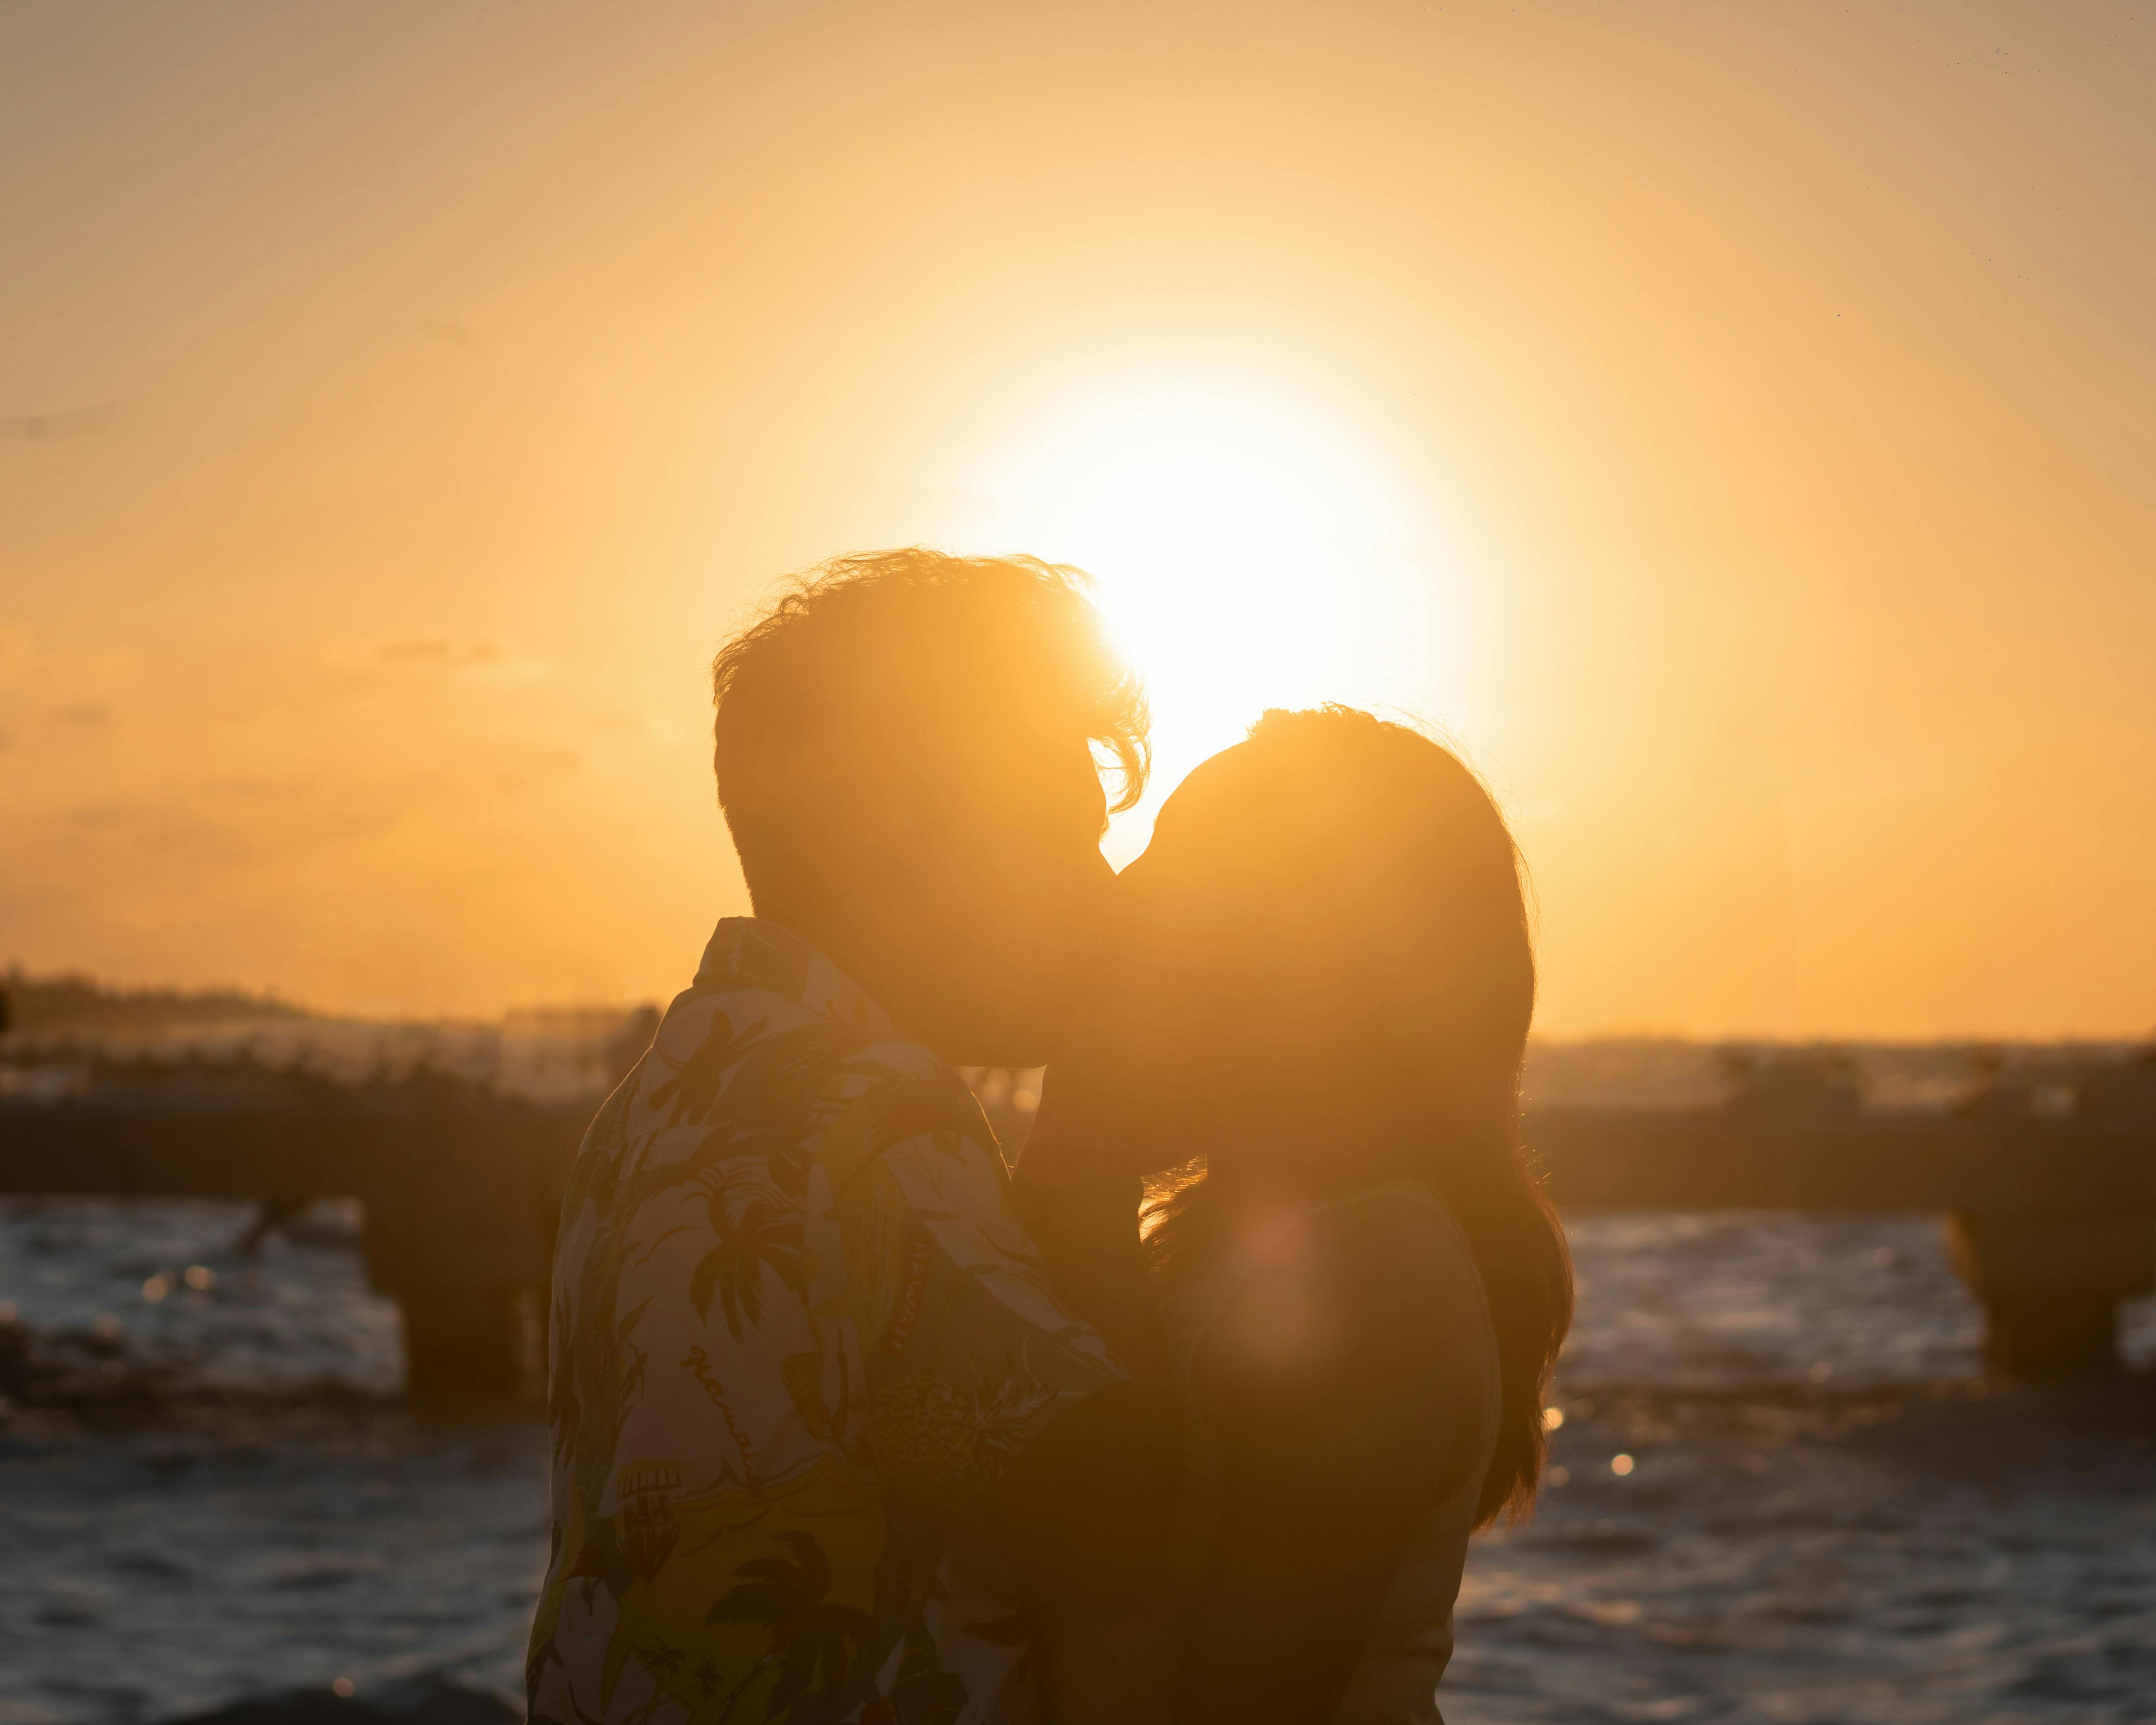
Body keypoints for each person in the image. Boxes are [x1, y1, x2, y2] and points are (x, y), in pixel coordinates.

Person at [528, 550, 1179, 1725]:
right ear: (906, 847)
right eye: (1056, 839)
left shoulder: (660, 1097)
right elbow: (1126, 1523)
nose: (1103, 892)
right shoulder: (868, 1119)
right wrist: (1092, 1148)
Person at [1018, 706, 1574, 1725]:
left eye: (1182, 880)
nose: (1126, 908)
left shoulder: (1379, 1271)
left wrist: (1079, 1166)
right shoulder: (1230, 1238)